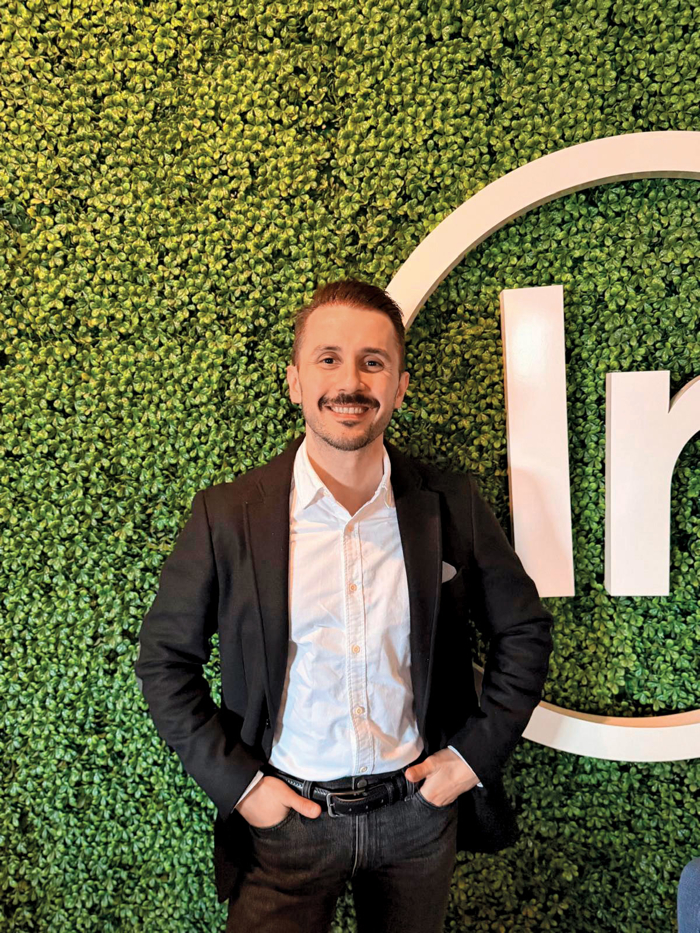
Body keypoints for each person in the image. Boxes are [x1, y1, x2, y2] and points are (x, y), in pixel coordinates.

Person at [135, 278, 554, 933]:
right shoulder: (227, 515)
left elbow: (523, 630)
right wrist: (244, 788)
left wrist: (469, 760)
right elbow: (164, 661)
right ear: (295, 381)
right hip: (284, 826)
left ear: (399, 386)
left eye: (372, 361)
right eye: (328, 359)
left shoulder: (450, 503)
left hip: (417, 819)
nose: (350, 382)